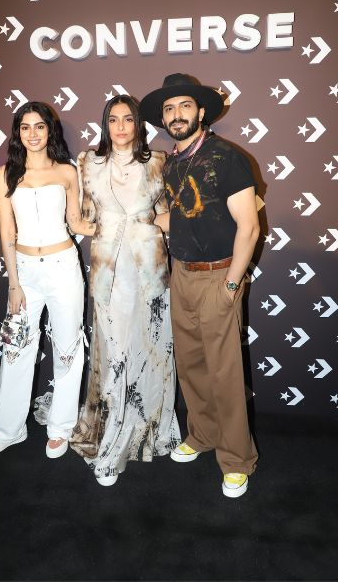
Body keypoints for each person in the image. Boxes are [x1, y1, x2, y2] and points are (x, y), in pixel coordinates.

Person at [139, 73, 261, 498]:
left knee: (225, 374)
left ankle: (237, 460)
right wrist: (153, 222)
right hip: (182, 275)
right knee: (191, 367)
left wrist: (231, 285)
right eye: (169, 109)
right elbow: (190, 213)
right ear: (163, 119)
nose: (177, 114)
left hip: (218, 276)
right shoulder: (173, 163)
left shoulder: (227, 157)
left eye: (185, 106)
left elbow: (249, 227)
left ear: (202, 111)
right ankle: (203, 434)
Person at [68, 95, 181, 486]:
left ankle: (153, 430)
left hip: (150, 270)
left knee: (152, 351)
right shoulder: (88, 162)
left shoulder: (159, 162)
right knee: (117, 356)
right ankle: (112, 443)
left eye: (128, 119)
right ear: (105, 124)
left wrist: (164, 224)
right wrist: (102, 231)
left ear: (138, 125)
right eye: (113, 119)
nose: (120, 127)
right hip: (110, 274)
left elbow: (168, 213)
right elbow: (80, 218)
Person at [0, 102, 92, 459]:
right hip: (24, 272)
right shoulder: (5, 174)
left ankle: (60, 428)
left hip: (63, 267)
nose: (33, 133)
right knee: (15, 349)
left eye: (39, 126)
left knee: (69, 347)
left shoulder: (68, 171)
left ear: (49, 130)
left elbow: (76, 222)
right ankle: (8, 430)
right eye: (25, 127)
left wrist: (120, 227)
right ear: (18, 133)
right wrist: (14, 283)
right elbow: (6, 231)